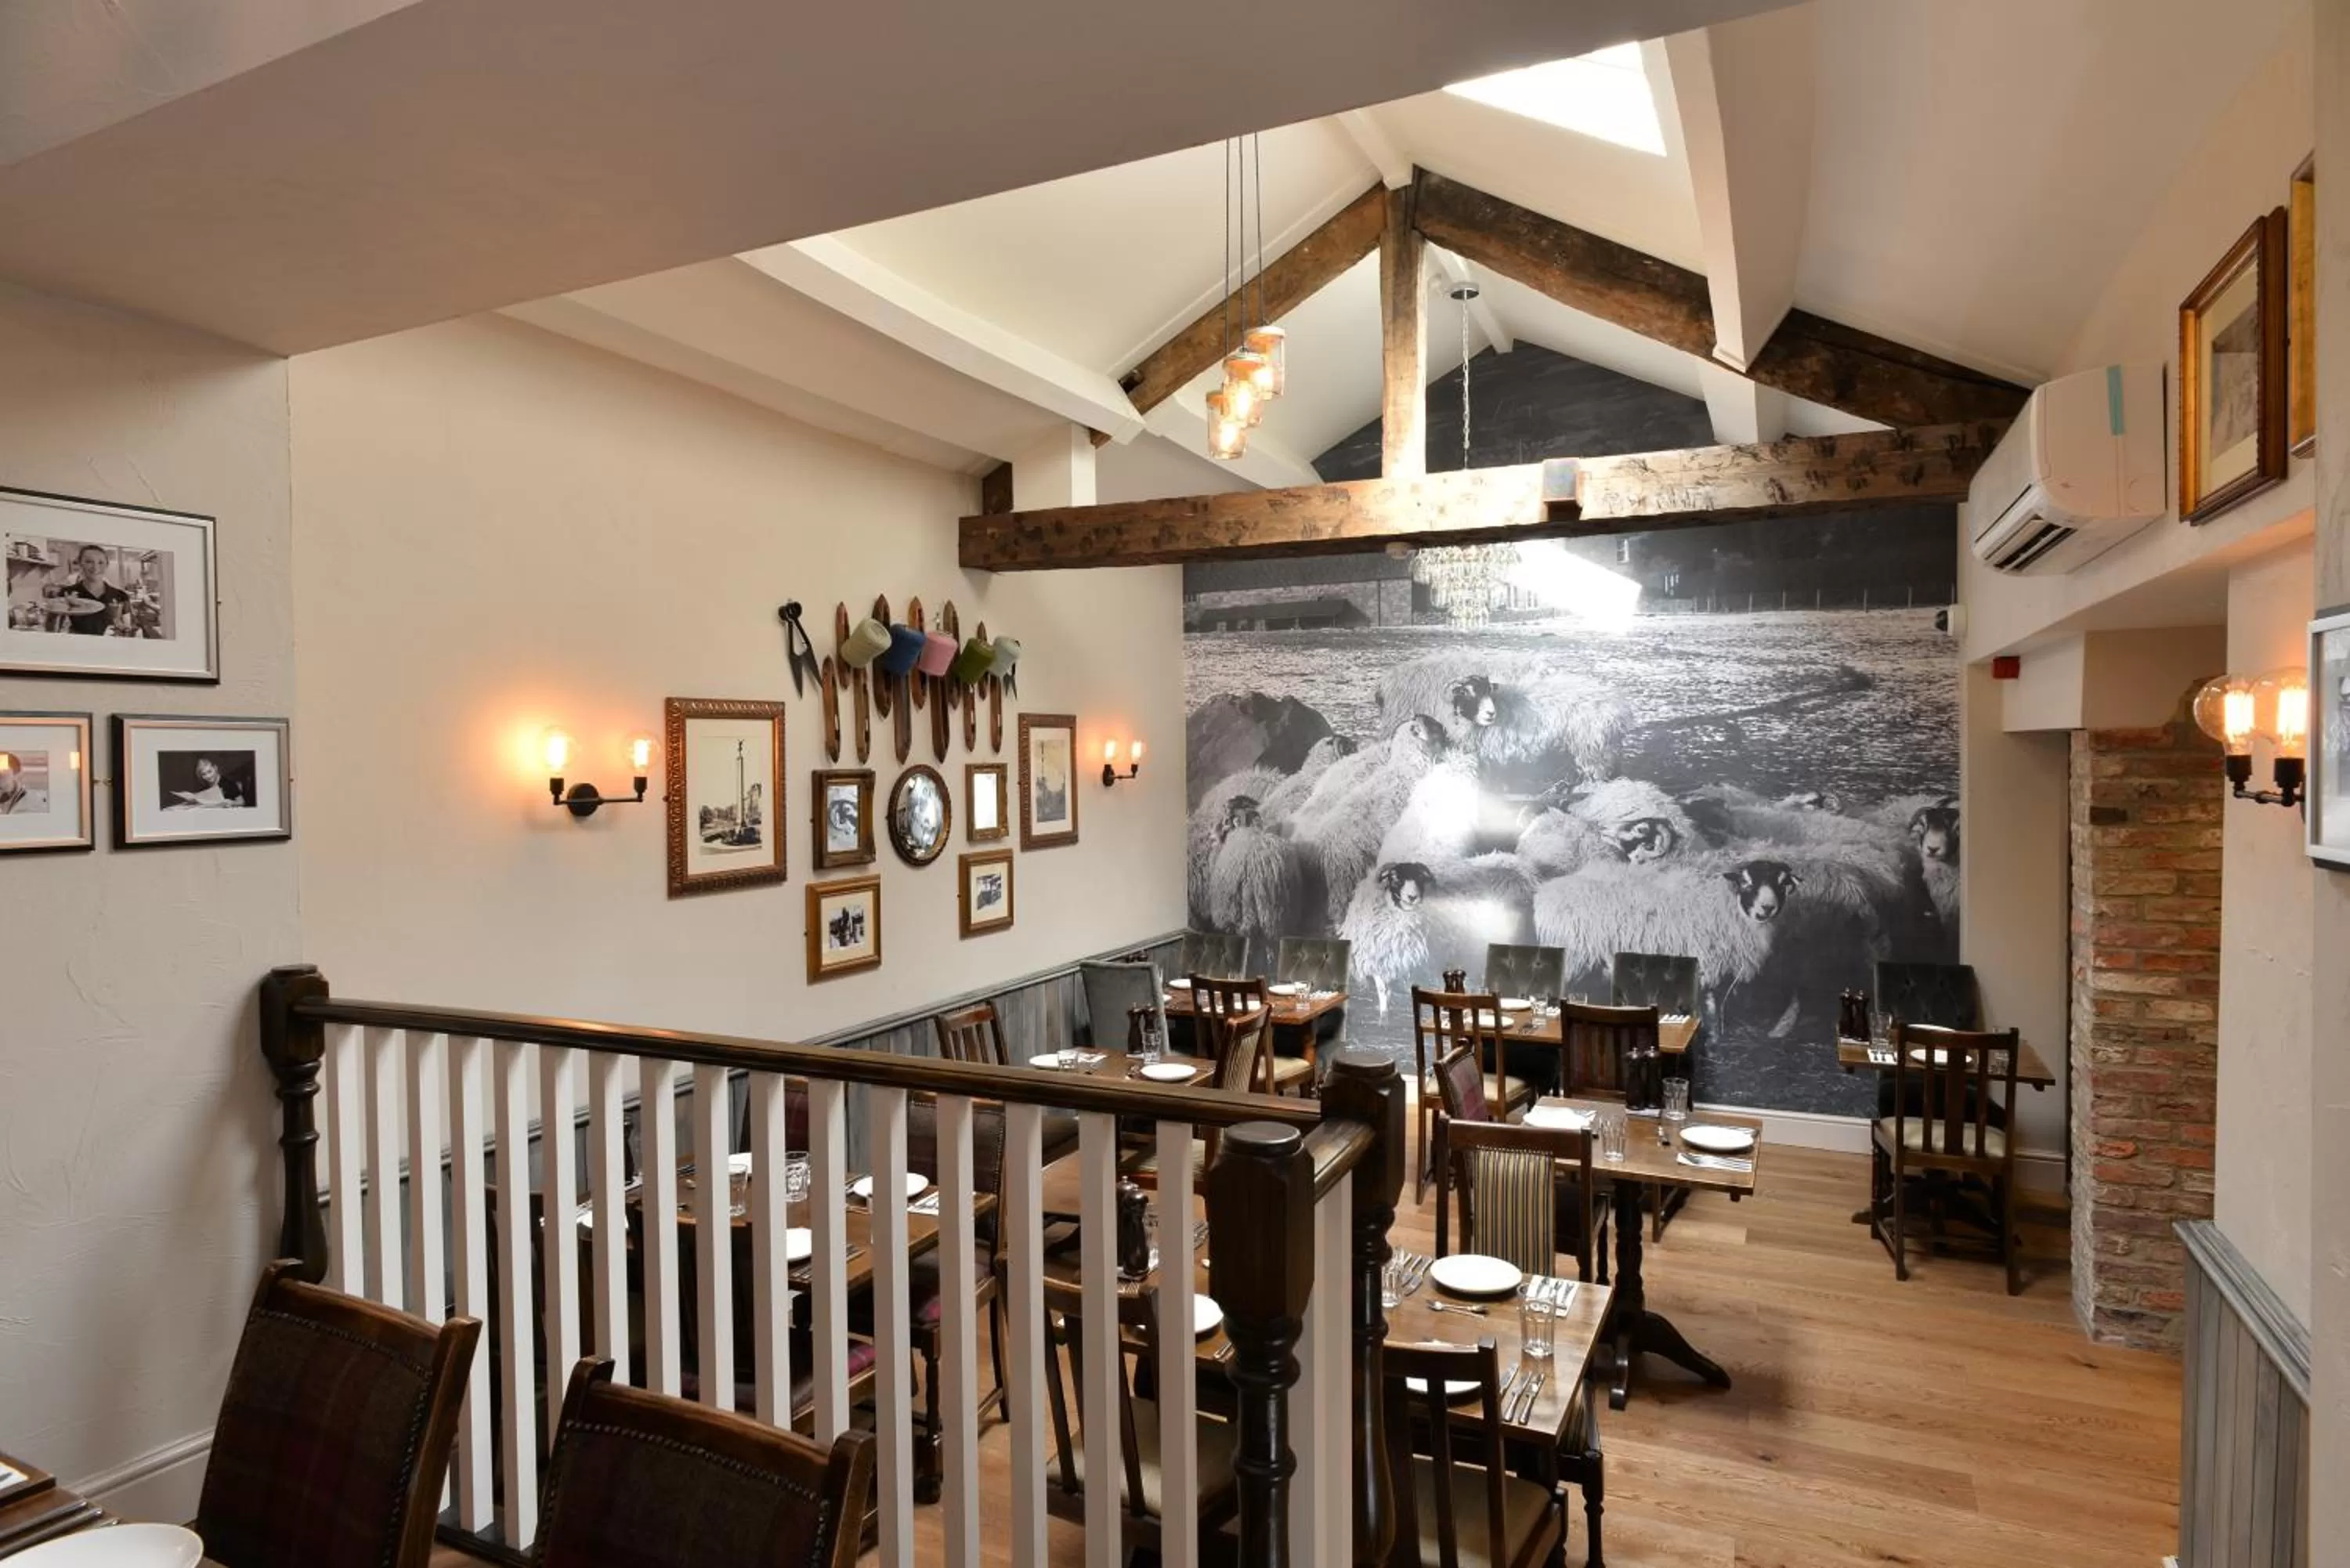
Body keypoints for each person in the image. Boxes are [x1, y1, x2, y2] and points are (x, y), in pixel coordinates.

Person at [48, 544, 128, 635]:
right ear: (80, 564)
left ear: (107, 565)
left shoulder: (121, 596)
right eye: (89, 562)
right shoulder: (66, 593)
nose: (95, 568)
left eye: (101, 562)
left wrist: (122, 628)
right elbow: (52, 628)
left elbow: (128, 627)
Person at [166, 756, 245, 810]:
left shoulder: (227, 783)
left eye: (210, 771)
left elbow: (242, 802)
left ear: (215, 768)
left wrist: (231, 803)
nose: (208, 776)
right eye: (204, 774)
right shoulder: (206, 787)